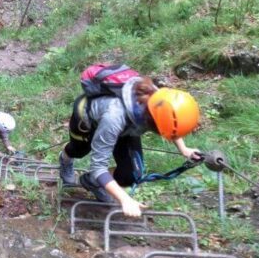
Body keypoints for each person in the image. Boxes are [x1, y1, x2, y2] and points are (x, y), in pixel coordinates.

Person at [58, 76, 201, 217]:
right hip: (88, 119)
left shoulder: (159, 102)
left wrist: (184, 149)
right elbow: (98, 167)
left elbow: (171, 123)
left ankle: (92, 182)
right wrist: (124, 199)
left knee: (131, 174)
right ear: (153, 121)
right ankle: (65, 160)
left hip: (128, 127)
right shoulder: (114, 116)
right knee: (78, 150)